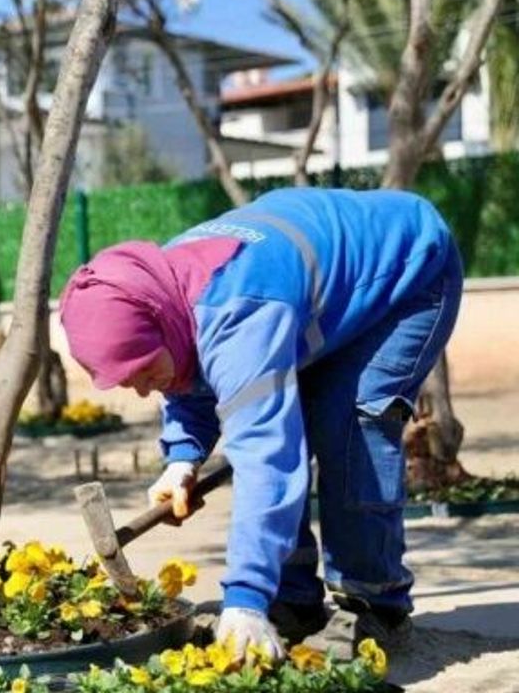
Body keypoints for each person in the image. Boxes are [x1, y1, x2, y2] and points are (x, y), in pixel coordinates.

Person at [59, 188, 462, 659]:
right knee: (293, 421)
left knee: (350, 427)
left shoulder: (237, 314)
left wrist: (245, 597)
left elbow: (267, 457)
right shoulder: (160, 292)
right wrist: (183, 457)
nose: (146, 390)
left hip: (409, 273)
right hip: (315, 291)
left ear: (159, 321)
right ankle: (293, 600)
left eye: (145, 372)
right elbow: (191, 369)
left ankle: (376, 604)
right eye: (131, 381)